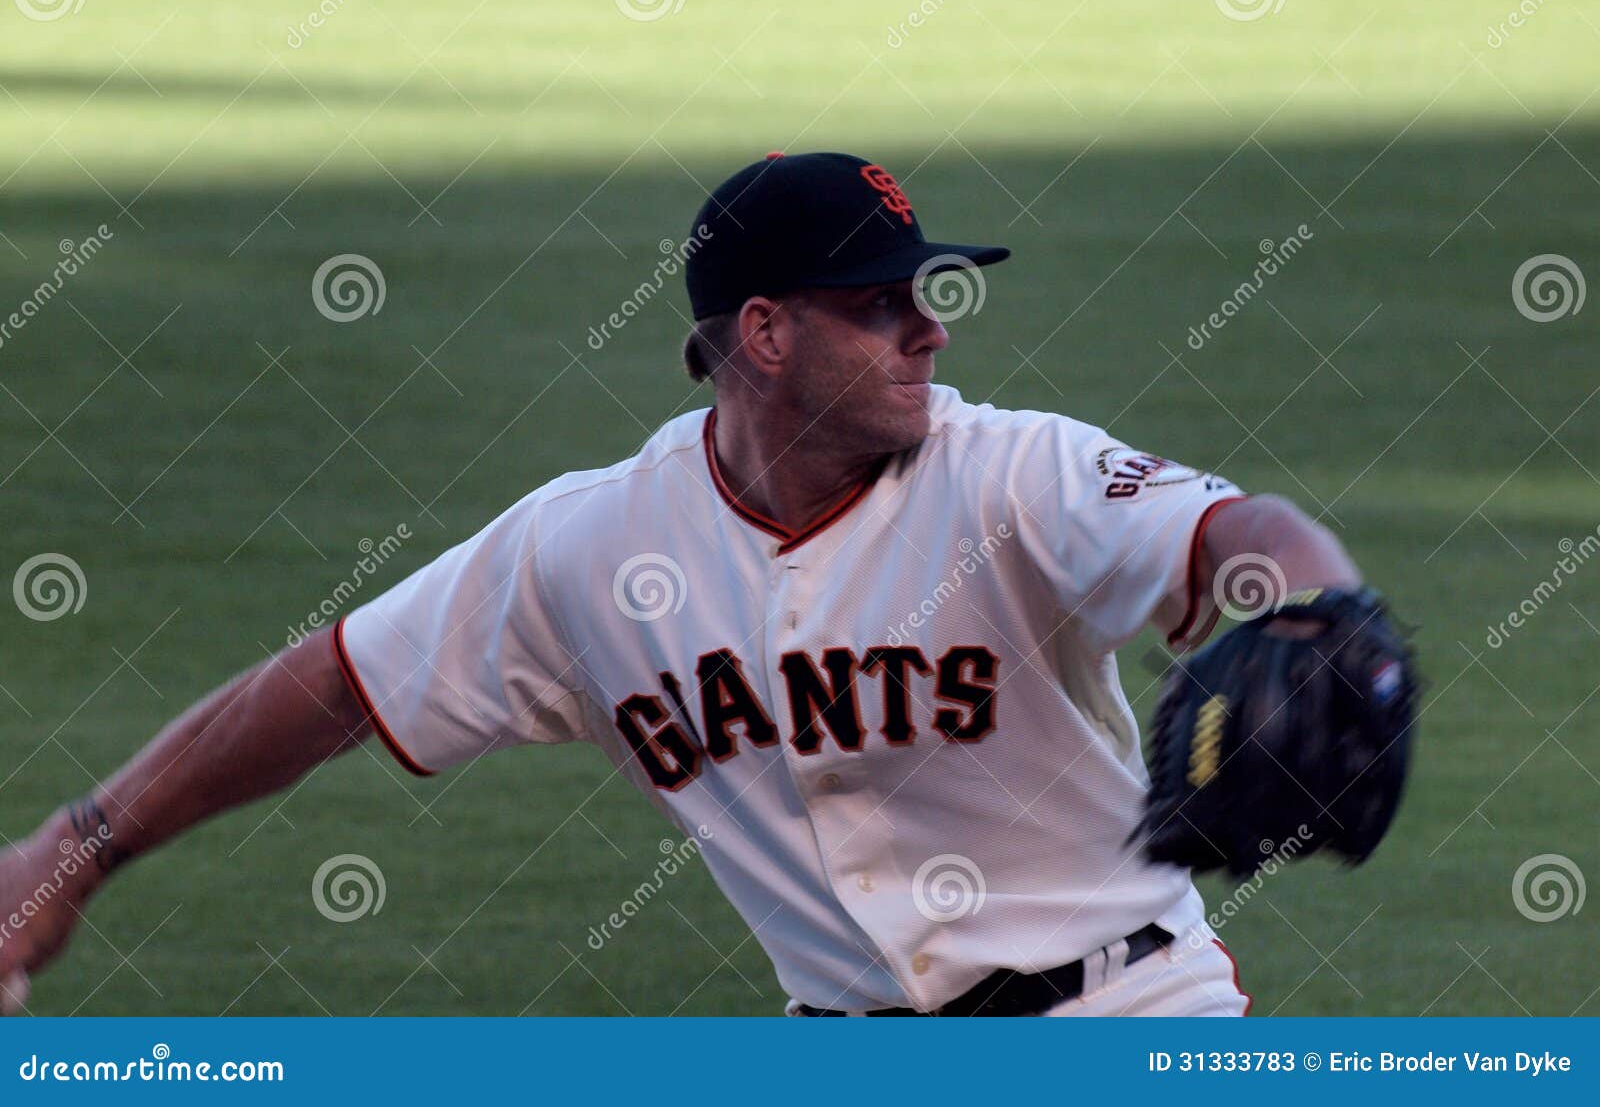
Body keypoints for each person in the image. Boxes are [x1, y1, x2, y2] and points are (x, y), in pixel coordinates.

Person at [1, 152, 1363, 1017]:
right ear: (763, 333)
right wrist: (70, 853)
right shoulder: (588, 548)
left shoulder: (1012, 475)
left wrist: (1318, 614)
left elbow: (1239, 530)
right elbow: (331, 687)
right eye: (881, 300)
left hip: (1125, 1019)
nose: (929, 323)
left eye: (926, 290)